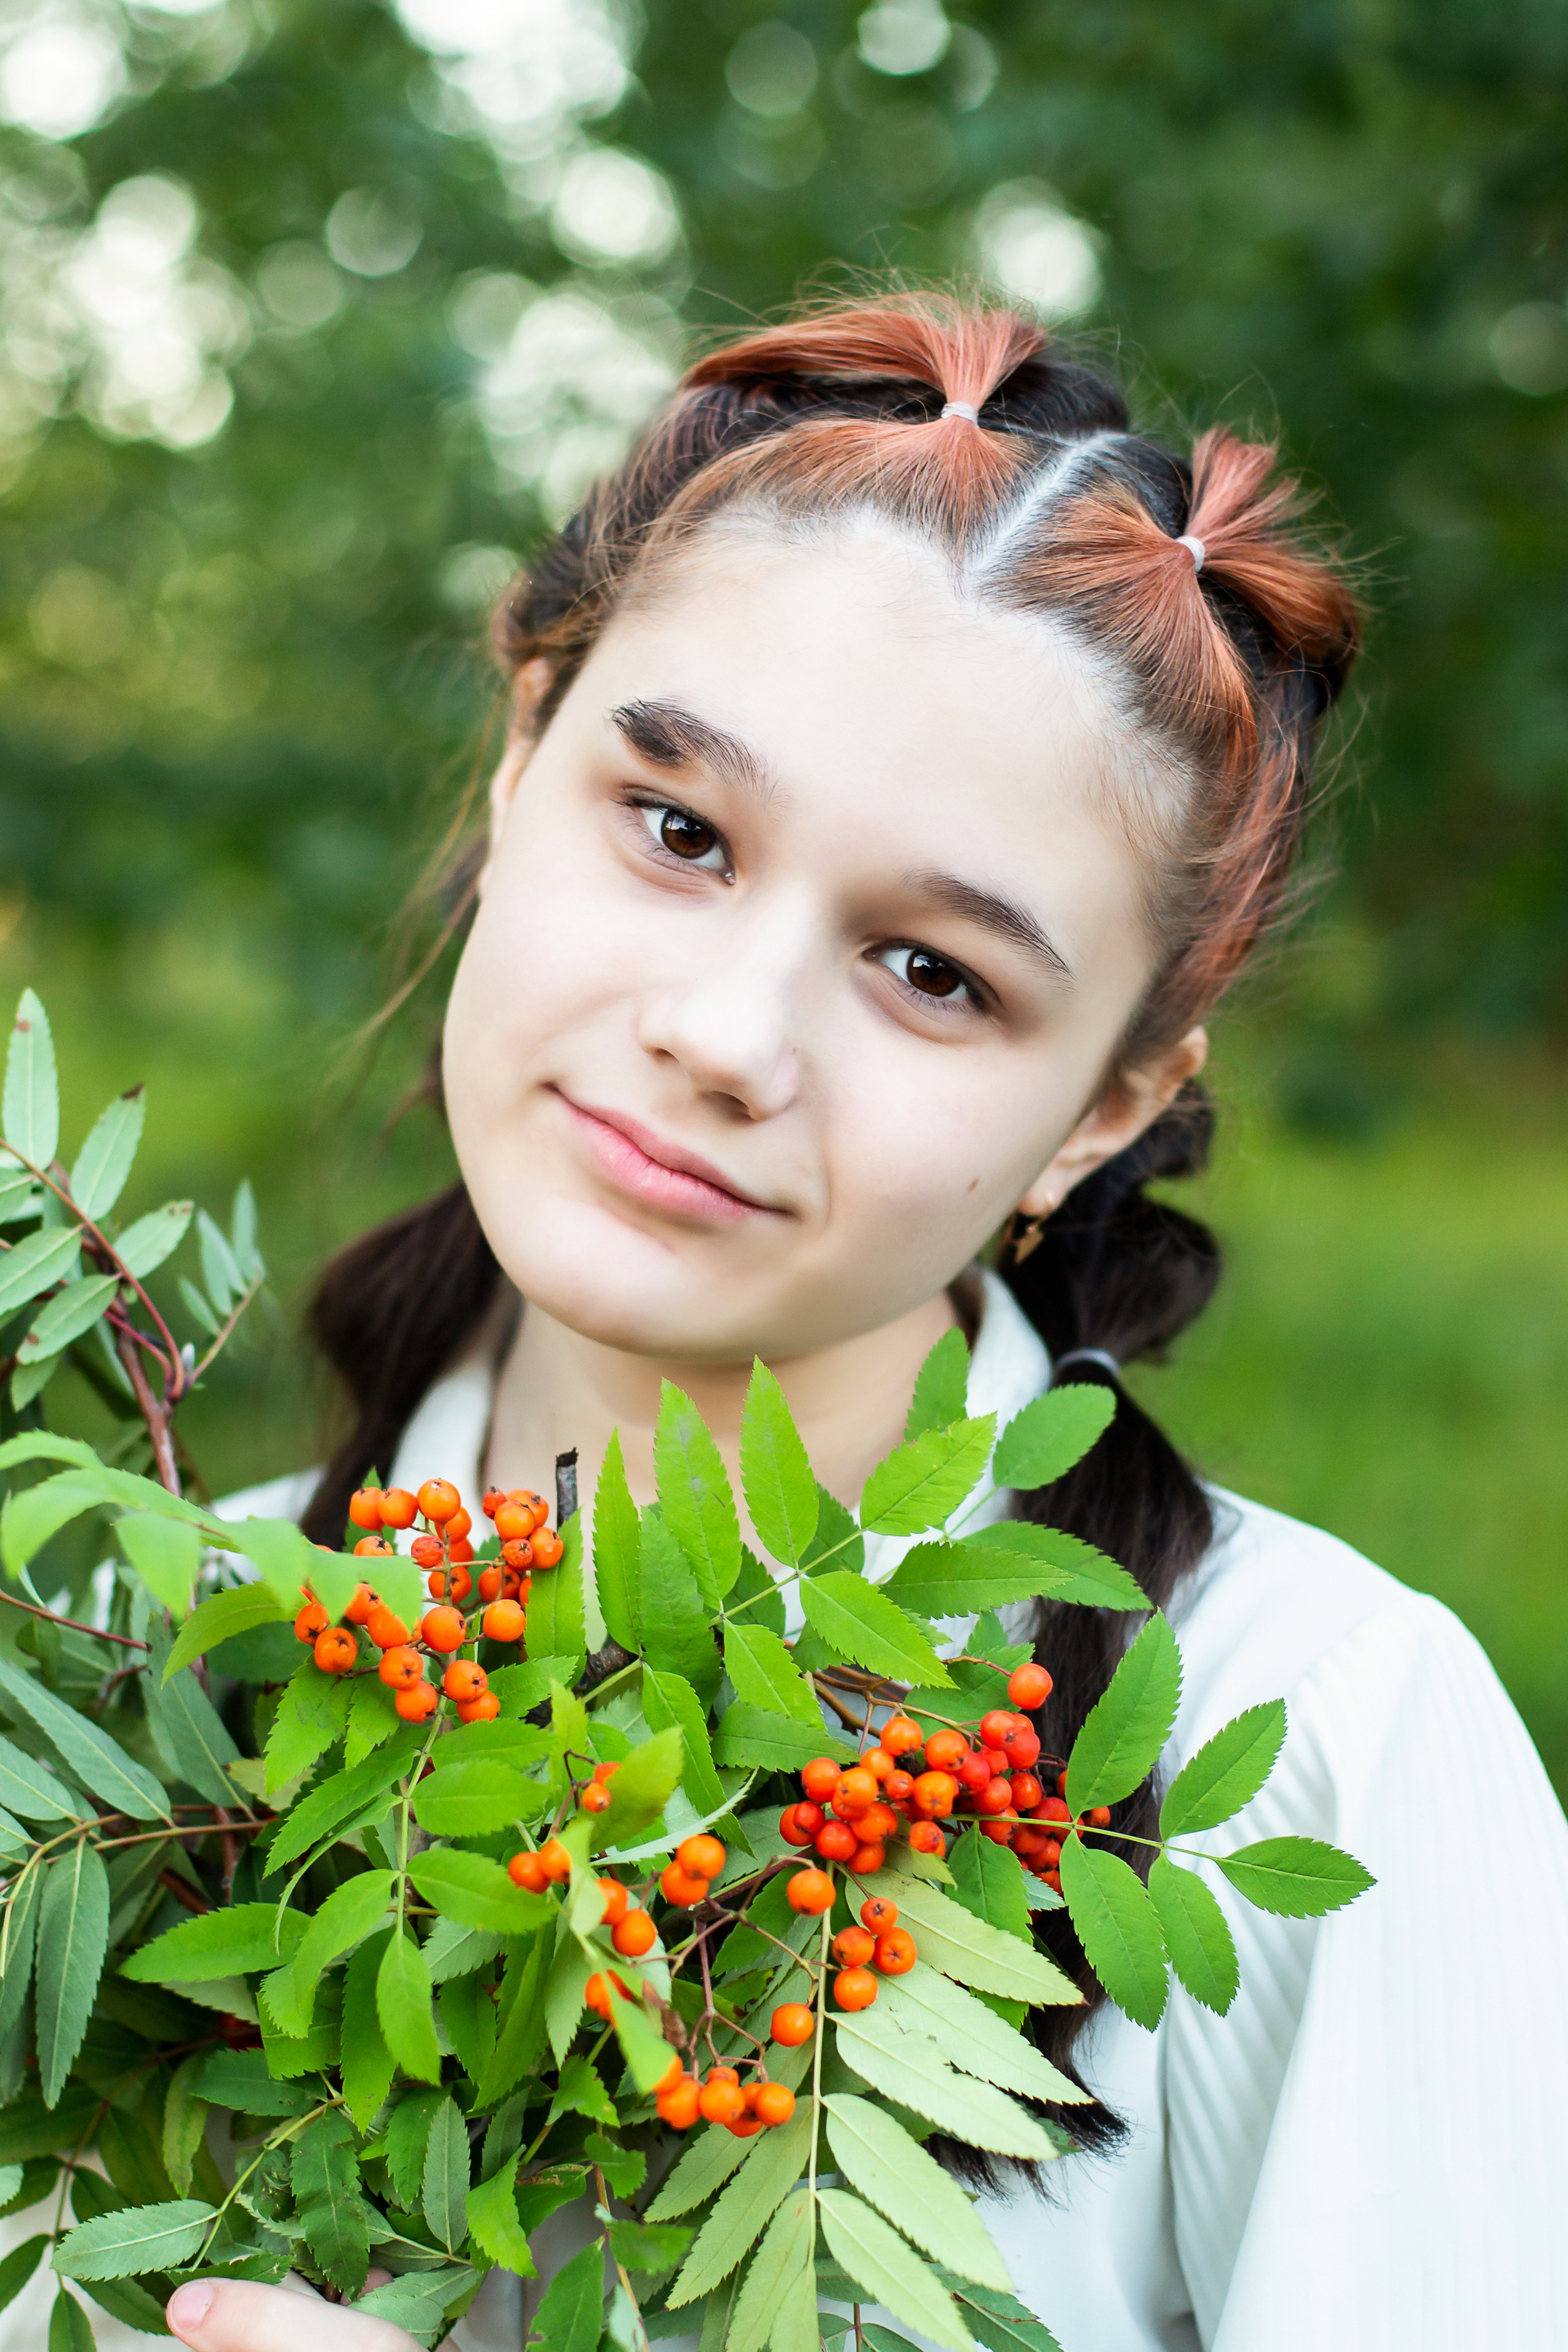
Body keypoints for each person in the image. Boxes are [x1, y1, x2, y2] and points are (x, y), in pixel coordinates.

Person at [39, 290, 1567, 2352]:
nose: (725, 1037)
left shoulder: (1321, 1756)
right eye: (676, 832)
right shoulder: (157, 1685)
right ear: (520, 758)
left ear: (1111, 1097)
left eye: (935, 972)